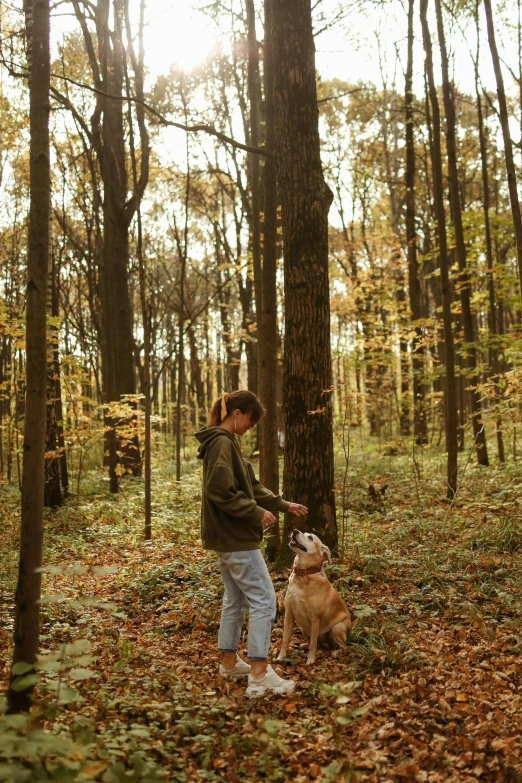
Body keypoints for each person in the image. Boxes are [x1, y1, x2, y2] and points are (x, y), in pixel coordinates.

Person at [195, 390, 308, 697]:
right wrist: (255, 513)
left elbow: (251, 485)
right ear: (237, 414)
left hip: (229, 537)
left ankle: (230, 664)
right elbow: (220, 491)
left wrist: (283, 505)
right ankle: (259, 675)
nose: (250, 426)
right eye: (250, 420)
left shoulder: (226, 443)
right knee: (264, 599)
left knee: (236, 599)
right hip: (235, 538)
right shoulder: (220, 443)